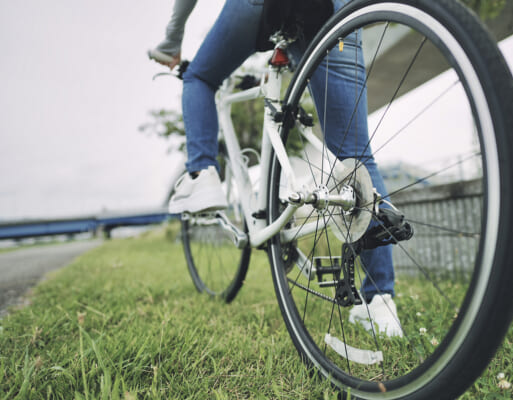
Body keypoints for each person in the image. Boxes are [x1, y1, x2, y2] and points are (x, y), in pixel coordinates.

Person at [151, 0, 403, 337]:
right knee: (356, 154)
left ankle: (202, 173)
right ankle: (381, 305)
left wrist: (172, 39)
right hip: (335, 9)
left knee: (198, 77)